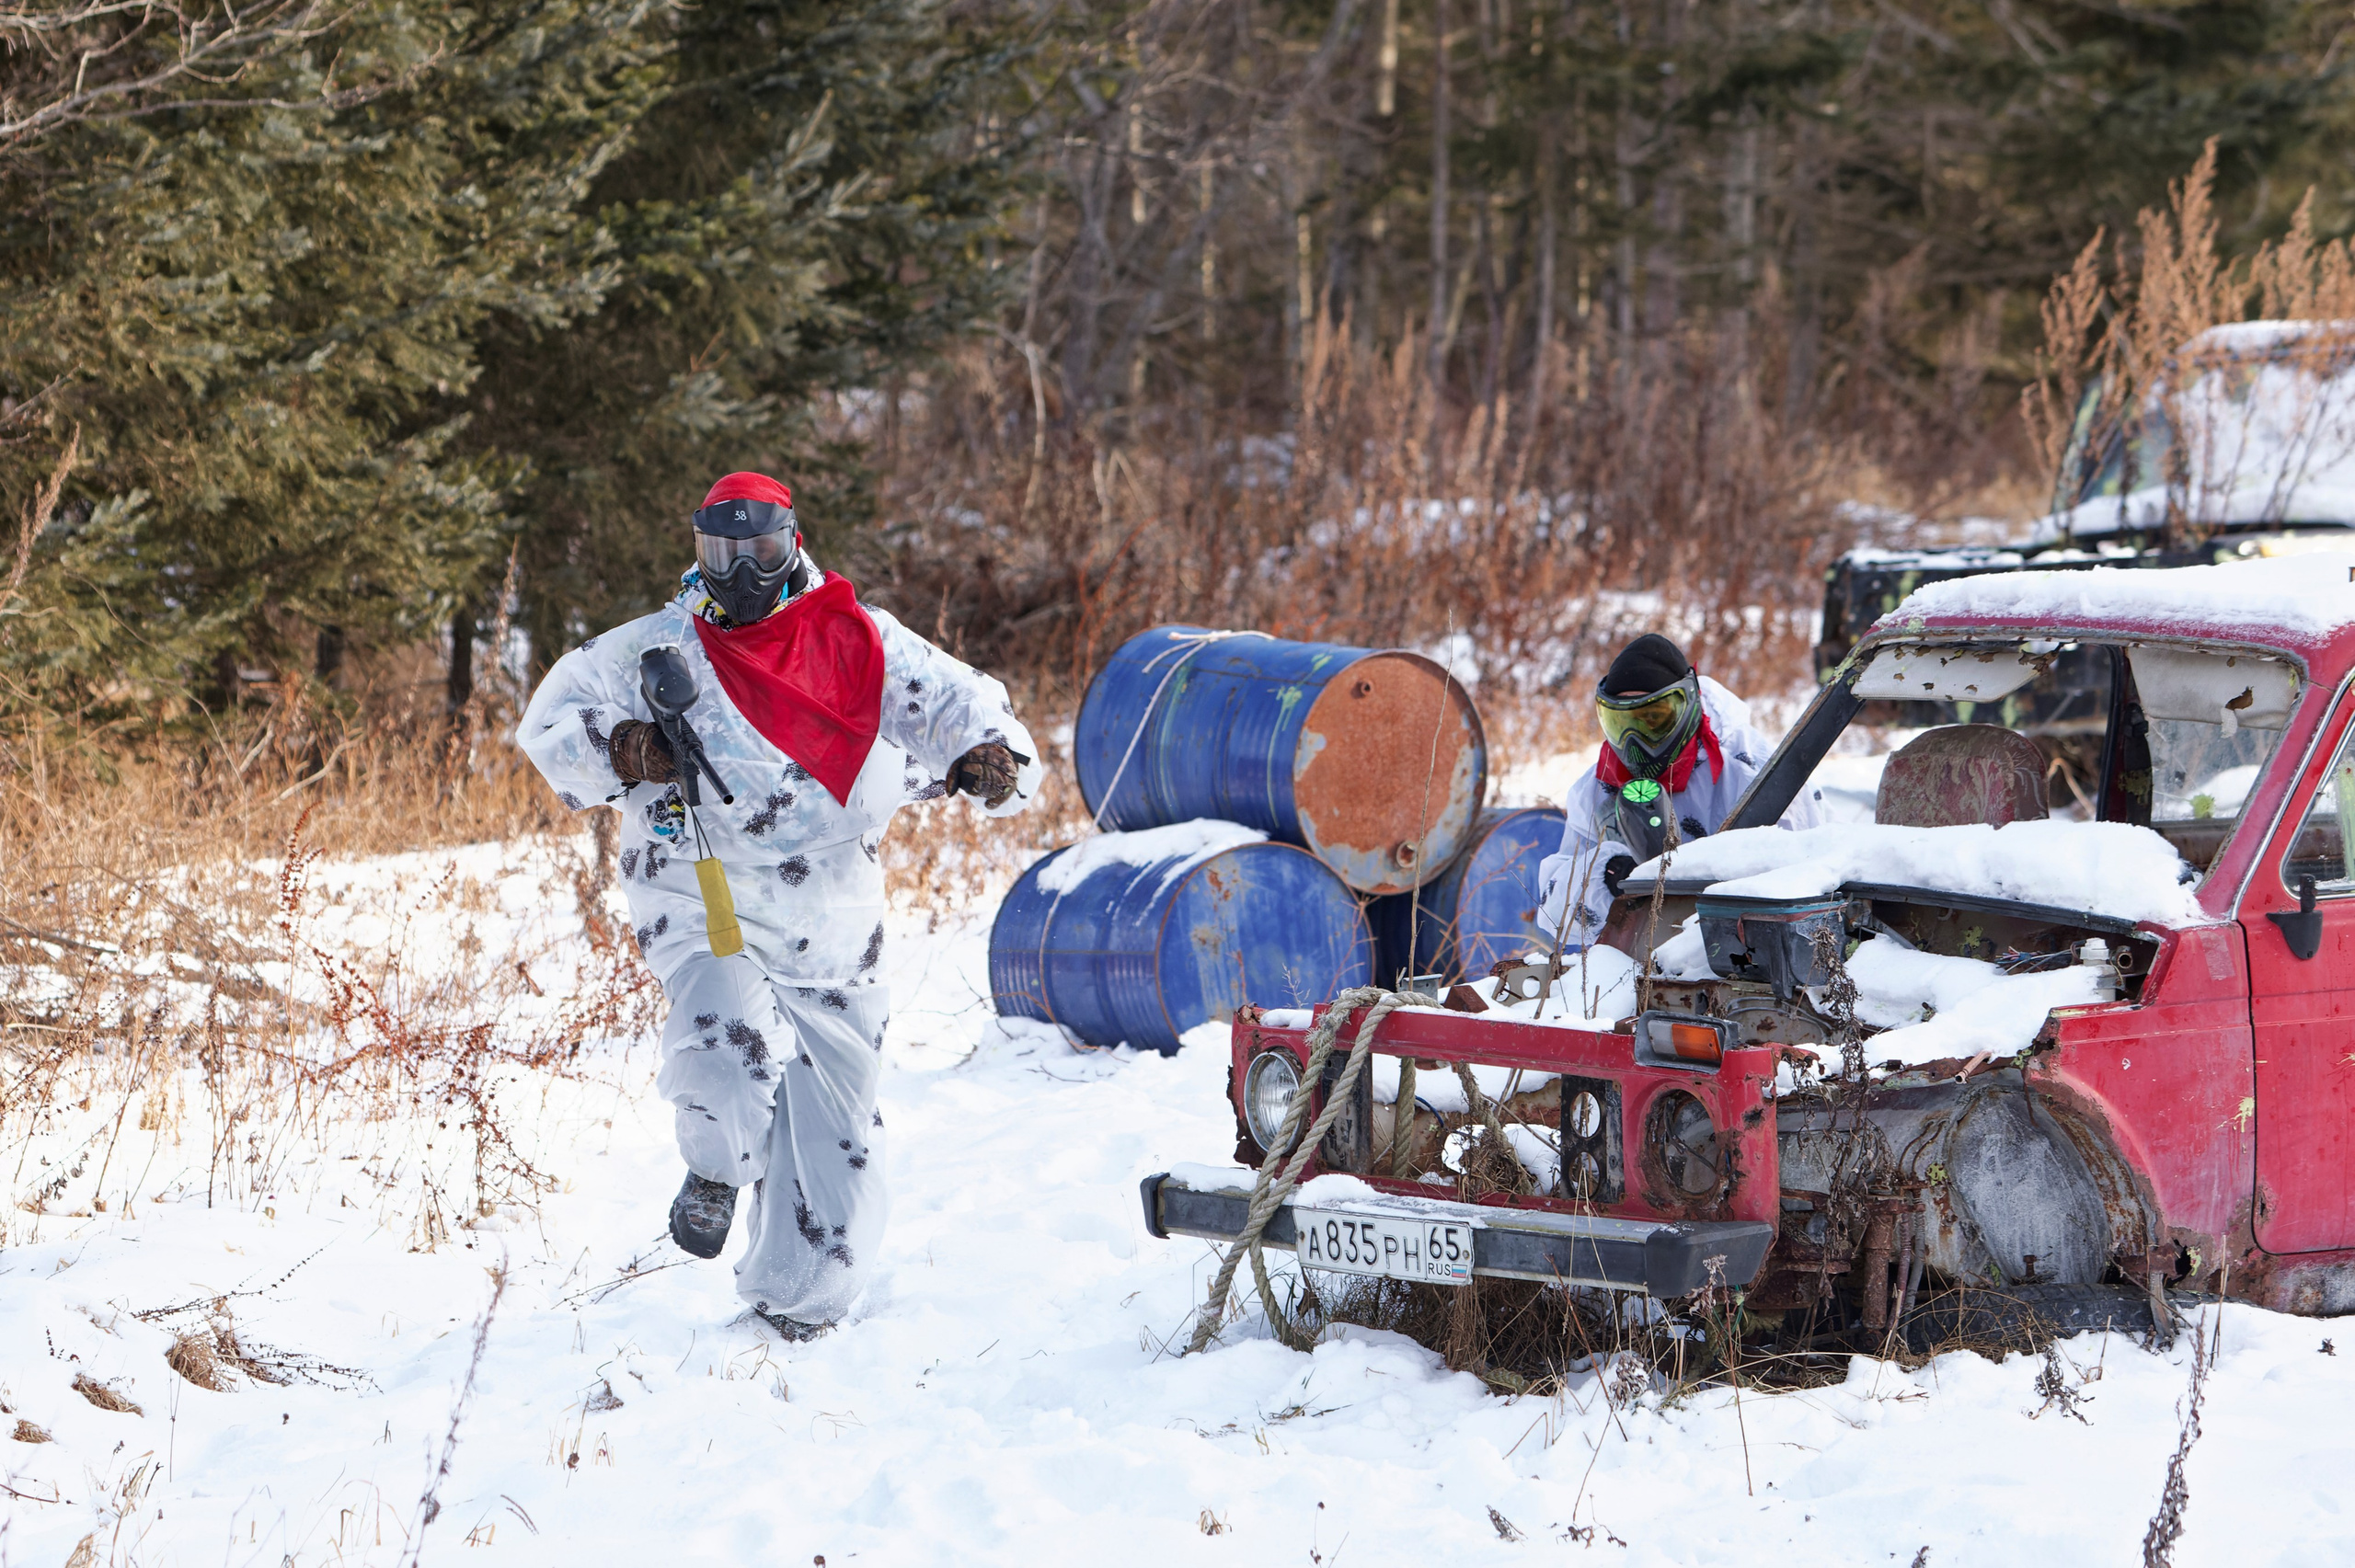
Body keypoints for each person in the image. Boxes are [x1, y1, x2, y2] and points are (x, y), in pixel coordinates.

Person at [518, 472, 1040, 1340]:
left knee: (838, 1155)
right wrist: (627, 747)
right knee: (729, 1046)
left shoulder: (858, 639)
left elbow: (954, 700)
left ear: (790, 541)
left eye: (757, 549)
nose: (740, 571)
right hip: (703, 901)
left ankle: (792, 1313)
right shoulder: (658, 648)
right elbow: (551, 721)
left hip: (834, 925)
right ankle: (716, 1169)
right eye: (719, 552)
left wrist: (987, 753)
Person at [1534, 633, 1823, 951]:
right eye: (1622, 724)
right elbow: (1555, 910)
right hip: (1633, 962)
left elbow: (1802, 885)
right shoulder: (1599, 787)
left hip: (1740, 962)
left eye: (1653, 719)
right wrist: (1608, 876)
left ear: (1684, 707)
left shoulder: (1752, 773)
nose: (1635, 741)